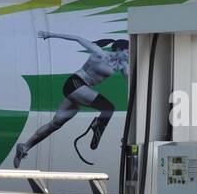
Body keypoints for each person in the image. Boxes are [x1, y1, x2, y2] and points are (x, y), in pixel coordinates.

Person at [13, 30, 129, 167]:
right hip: (75, 83)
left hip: (82, 89)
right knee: (108, 108)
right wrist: (51, 34)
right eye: (128, 52)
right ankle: (97, 126)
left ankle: (24, 148)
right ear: (119, 49)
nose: (129, 55)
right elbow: (77, 38)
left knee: (55, 124)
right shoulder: (100, 53)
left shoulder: (122, 65)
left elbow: (131, 80)